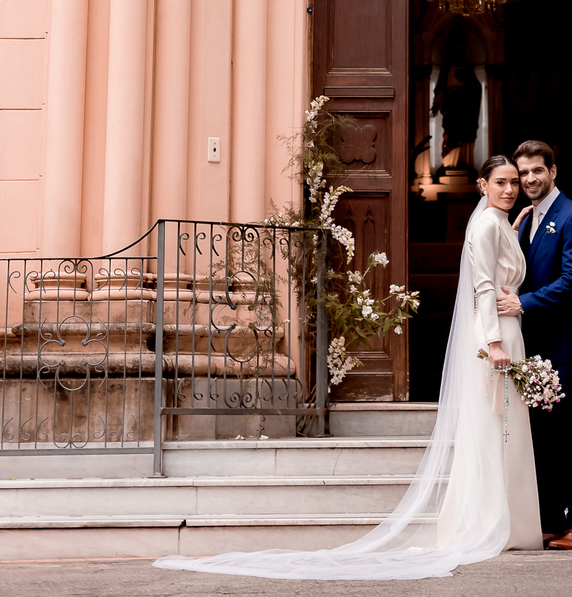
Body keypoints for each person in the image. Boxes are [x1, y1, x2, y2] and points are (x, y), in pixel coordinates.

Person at [154, 154, 541, 581]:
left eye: (513, 183)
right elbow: (484, 284)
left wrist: (514, 233)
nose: (509, 189)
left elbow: (499, 270)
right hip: (497, 336)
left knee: (499, 424)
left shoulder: (501, 223)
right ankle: (493, 521)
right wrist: (493, 342)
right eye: (500, 182)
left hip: (506, 328)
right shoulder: (488, 224)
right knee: (495, 425)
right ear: (482, 185)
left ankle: (499, 519)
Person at [499, 139, 572, 551]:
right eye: (523, 173)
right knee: (543, 438)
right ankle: (550, 521)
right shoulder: (526, 220)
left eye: (536, 171)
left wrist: (522, 303)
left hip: (569, 347)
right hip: (537, 348)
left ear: (553, 171)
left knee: (571, 437)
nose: (529, 179)